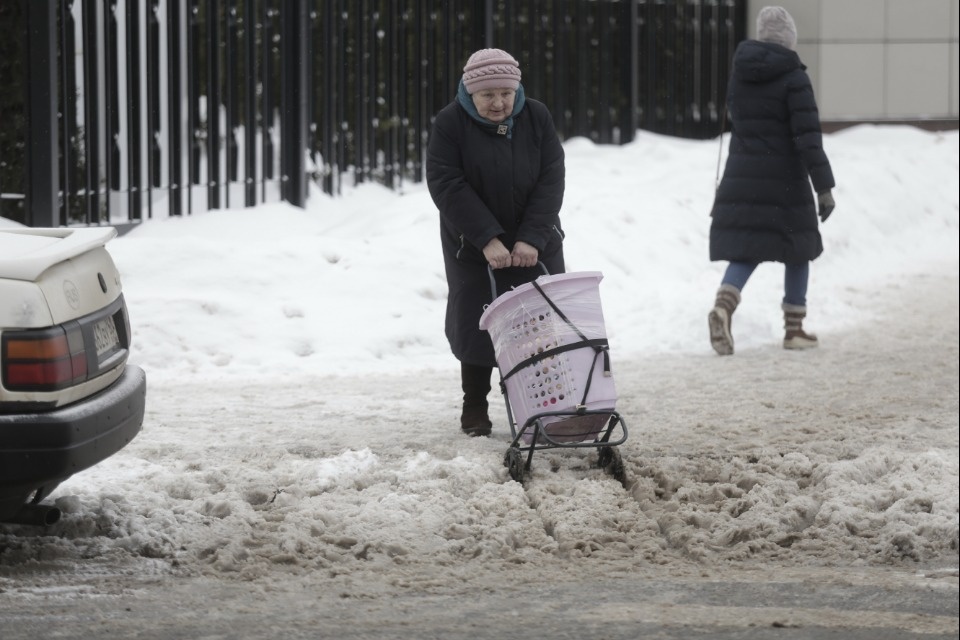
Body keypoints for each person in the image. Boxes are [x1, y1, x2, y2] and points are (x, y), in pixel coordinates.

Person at [426, 48, 566, 436]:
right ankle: (475, 405)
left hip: (536, 243)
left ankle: (545, 405)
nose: (499, 102)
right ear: (470, 93)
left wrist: (532, 238)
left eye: (506, 92)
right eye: (488, 94)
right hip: (471, 245)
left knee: (539, 326)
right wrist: (486, 237)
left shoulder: (536, 116)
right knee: (479, 322)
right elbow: (446, 182)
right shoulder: (450, 123)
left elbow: (551, 177)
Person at [708, 6, 836, 355]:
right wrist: (824, 187)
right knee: (798, 249)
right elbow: (807, 137)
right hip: (785, 181)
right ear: (789, 39)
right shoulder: (794, 77)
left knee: (748, 248)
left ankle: (723, 305)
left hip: (744, 175)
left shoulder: (740, 74)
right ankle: (794, 330)